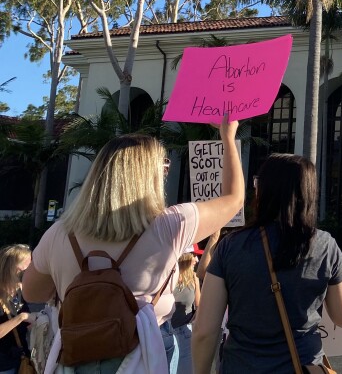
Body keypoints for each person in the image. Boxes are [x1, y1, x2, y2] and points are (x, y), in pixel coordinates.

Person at [23, 116, 244, 374]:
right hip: (143, 357)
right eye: (163, 166)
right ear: (147, 175)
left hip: (75, 358)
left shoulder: (60, 234)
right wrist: (227, 137)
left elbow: (32, 293)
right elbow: (233, 199)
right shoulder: (169, 226)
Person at [192, 154, 342, 374]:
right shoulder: (324, 246)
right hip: (302, 366)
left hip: (241, 367)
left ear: (263, 191)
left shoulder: (231, 246)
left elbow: (205, 331)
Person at [0, 244, 31, 374]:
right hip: (4, 363)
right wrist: (21, 318)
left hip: (21, 357)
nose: (28, 271)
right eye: (24, 267)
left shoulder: (19, 289)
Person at [171, 251, 201, 374]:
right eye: (194, 256)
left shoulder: (195, 278)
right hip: (166, 332)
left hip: (185, 331)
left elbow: (199, 305)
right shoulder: (169, 275)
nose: (197, 260)